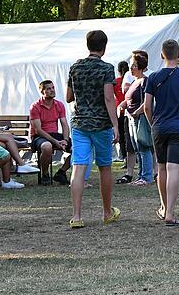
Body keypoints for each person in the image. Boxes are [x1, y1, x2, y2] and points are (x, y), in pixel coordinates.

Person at [143, 39, 179, 227]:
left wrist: (153, 123)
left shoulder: (152, 78)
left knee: (161, 168)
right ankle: (170, 212)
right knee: (173, 168)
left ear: (162, 55)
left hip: (159, 126)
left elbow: (146, 106)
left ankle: (163, 206)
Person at [66, 30, 120, 229]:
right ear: (104, 47)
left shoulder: (75, 67)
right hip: (101, 124)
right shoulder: (107, 68)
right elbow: (108, 98)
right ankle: (107, 212)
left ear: (87, 45)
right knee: (104, 167)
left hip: (80, 123)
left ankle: (77, 216)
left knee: (79, 167)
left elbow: (68, 96)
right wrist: (116, 125)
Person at [29, 80, 72, 186]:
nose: (52, 90)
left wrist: (65, 140)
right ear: (42, 92)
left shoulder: (59, 105)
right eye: (48, 89)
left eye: (53, 88)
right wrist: (55, 142)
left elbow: (64, 124)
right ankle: (45, 174)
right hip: (39, 136)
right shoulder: (35, 106)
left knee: (79, 148)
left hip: (54, 135)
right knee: (47, 146)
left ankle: (61, 172)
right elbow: (38, 130)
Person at [123, 52, 154, 186]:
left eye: (134, 65)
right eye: (131, 65)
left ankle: (146, 176)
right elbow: (128, 99)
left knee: (143, 146)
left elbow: (148, 101)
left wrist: (137, 112)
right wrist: (122, 106)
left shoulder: (145, 81)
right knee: (136, 148)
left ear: (140, 66)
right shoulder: (134, 81)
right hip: (131, 118)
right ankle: (141, 175)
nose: (131, 68)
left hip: (140, 118)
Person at [114, 61, 129, 161]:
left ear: (118, 70)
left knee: (122, 136)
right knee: (130, 135)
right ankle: (134, 155)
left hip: (119, 111)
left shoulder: (115, 82)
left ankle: (124, 157)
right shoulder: (130, 81)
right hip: (130, 110)